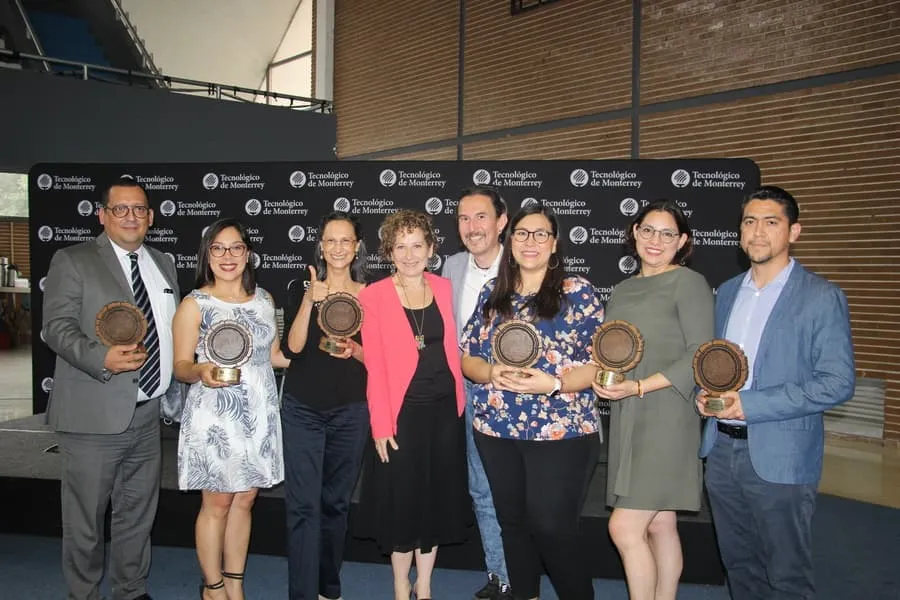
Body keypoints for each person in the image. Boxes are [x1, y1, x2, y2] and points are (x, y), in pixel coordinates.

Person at [697, 186, 855, 599]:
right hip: (721, 453)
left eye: (771, 222)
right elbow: (718, 364)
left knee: (786, 575)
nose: (758, 232)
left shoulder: (821, 297)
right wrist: (705, 392)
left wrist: (750, 404)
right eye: (749, 222)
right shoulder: (727, 292)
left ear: (794, 231)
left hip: (781, 459)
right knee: (739, 566)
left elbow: (838, 382)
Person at [42, 177, 179, 600]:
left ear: (151, 216)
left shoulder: (163, 263)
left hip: (147, 414)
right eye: (120, 209)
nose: (131, 216)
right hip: (91, 414)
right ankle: (83, 594)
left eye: (139, 209)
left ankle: (130, 590)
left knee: (137, 514)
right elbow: (56, 329)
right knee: (85, 520)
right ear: (102, 215)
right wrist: (100, 356)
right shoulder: (73, 259)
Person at [461, 203, 604, 600]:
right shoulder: (494, 293)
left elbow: (600, 366)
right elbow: (467, 356)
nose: (530, 242)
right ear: (510, 241)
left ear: (554, 244)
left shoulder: (578, 292)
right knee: (514, 526)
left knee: (553, 528)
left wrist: (554, 384)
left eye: (541, 234)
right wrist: (490, 373)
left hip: (562, 431)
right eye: (522, 233)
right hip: (496, 429)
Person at [591, 200, 714, 600]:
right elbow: (616, 350)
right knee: (661, 523)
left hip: (666, 415)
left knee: (623, 528)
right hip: (629, 413)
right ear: (634, 233)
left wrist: (640, 387)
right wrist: (606, 380)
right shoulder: (624, 288)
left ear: (683, 241)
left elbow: (699, 354)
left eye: (666, 233)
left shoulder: (689, 284)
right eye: (647, 230)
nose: (655, 240)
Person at [172, 218, 290, 600]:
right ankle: (213, 587)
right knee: (218, 501)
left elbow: (274, 357)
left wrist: (323, 350)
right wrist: (201, 371)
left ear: (248, 254)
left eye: (236, 247)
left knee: (246, 499)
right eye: (218, 248)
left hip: (258, 411)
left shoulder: (264, 300)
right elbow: (181, 367)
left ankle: (235, 583)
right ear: (207, 256)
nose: (228, 256)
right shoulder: (195, 304)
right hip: (215, 415)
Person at [359, 209, 469, 600]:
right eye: (400, 246)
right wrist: (381, 426)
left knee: (435, 500)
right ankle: (399, 586)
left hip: (444, 413)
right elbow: (375, 367)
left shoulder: (443, 288)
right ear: (389, 251)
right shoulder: (373, 296)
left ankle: (424, 585)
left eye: (417, 245)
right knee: (403, 502)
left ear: (431, 249)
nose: (409, 255)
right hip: (401, 414)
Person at [280, 211, 369, 600]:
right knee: (303, 507)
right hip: (303, 410)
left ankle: (328, 588)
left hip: (351, 411)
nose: (337, 248)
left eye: (345, 240)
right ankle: (302, 594)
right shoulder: (299, 287)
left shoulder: (373, 295)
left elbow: (381, 358)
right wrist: (308, 301)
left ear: (356, 247)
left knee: (335, 505)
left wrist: (356, 350)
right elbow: (292, 349)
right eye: (330, 240)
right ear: (320, 245)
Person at [441, 185, 511, 600]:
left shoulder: (523, 264)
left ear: (502, 222)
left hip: (518, 396)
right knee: (482, 488)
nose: (472, 227)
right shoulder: (450, 267)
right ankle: (500, 576)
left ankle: (523, 573)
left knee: (519, 492)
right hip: (468, 392)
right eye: (464, 218)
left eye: (481, 216)